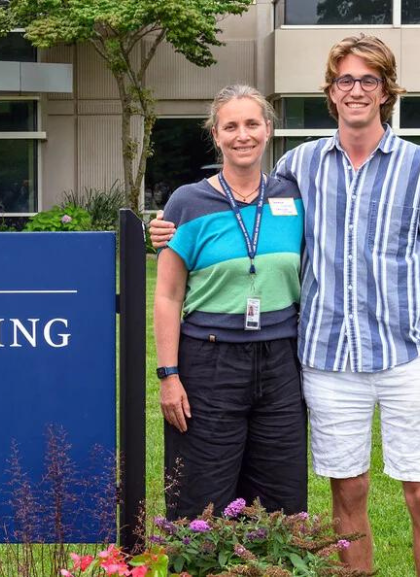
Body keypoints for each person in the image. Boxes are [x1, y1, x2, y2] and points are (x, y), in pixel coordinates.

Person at [150, 34, 420, 575]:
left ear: (388, 90)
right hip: (322, 358)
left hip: (401, 354)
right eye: (346, 79)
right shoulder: (303, 167)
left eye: (369, 80)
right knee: (346, 495)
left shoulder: (408, 168)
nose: (357, 90)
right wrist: (161, 232)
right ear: (331, 91)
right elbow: (188, 258)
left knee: (414, 492)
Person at [154, 84, 307, 520]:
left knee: (281, 498)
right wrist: (169, 374)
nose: (243, 135)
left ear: (268, 130)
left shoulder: (293, 197)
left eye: (252, 124)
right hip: (209, 360)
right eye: (231, 126)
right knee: (201, 495)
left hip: (281, 361)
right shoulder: (188, 202)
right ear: (216, 135)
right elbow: (167, 295)